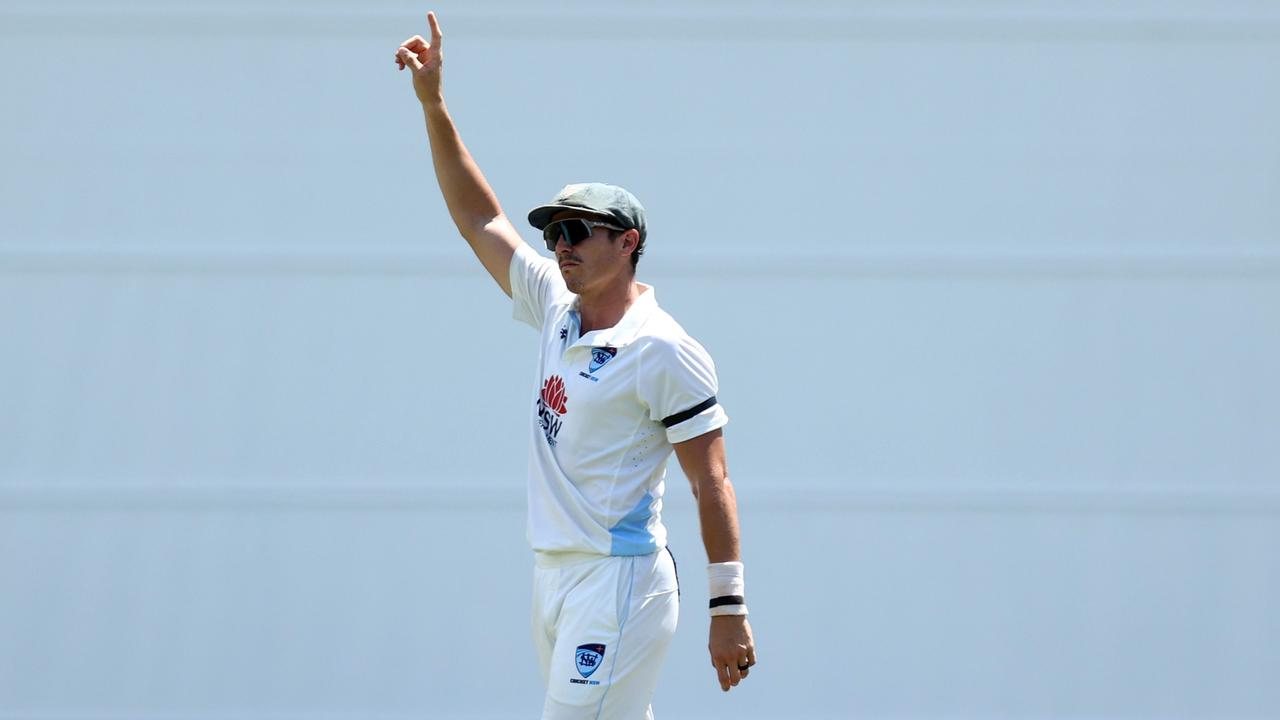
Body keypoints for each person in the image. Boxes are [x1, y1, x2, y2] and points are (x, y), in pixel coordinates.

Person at [395, 12, 756, 719]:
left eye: (577, 231)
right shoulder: (555, 303)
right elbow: (480, 220)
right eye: (554, 232)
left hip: (618, 583)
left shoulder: (664, 347)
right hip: (554, 576)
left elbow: (711, 482)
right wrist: (434, 105)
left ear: (627, 243)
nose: (559, 245)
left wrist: (728, 608)